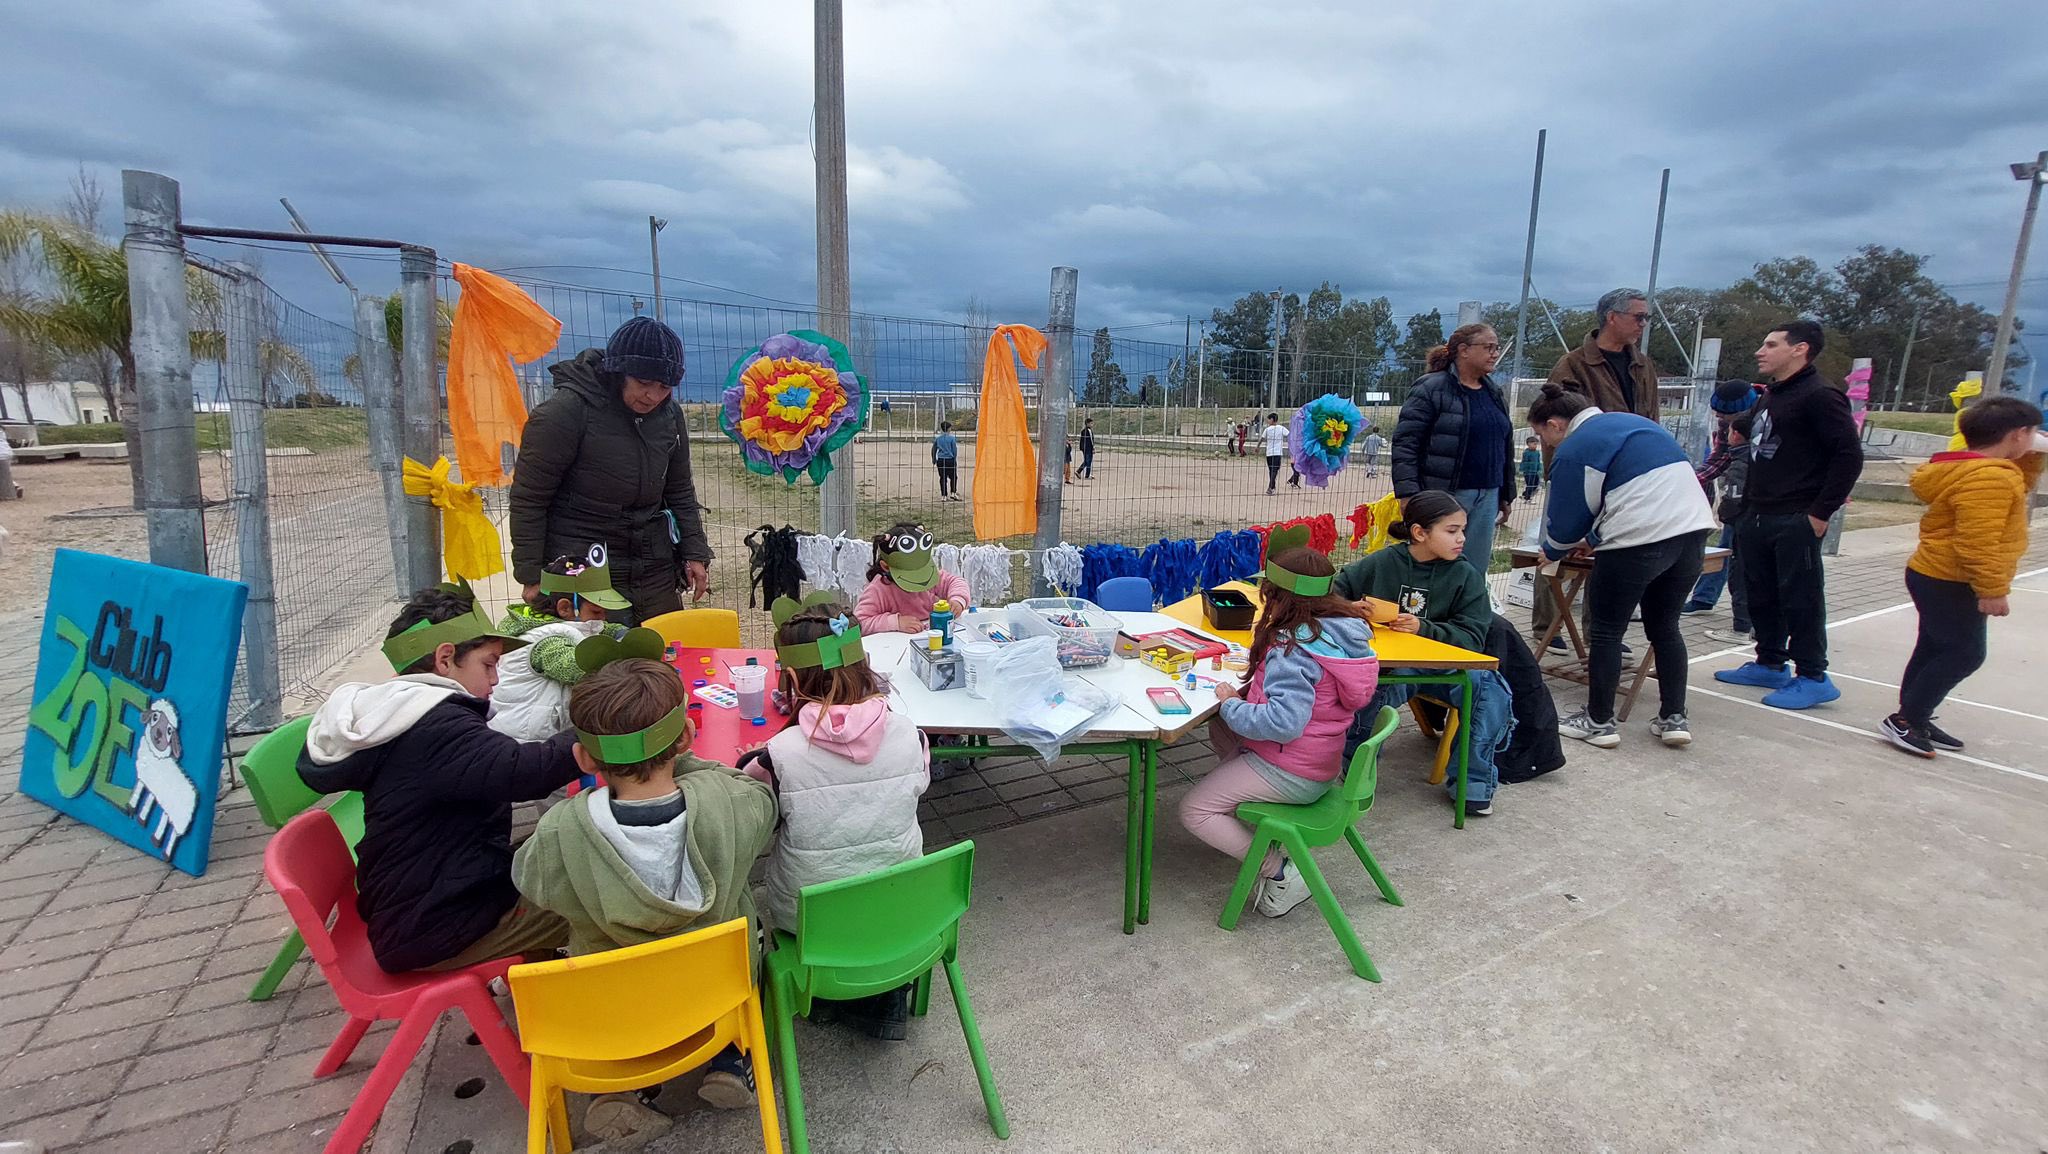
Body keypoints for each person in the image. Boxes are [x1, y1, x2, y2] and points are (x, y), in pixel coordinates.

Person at [512, 659, 779, 1139]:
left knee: (591, 963)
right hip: (715, 992)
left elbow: (530, 881)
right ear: (685, 738)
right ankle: (729, 1060)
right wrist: (689, 761)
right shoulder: (731, 803)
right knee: (749, 927)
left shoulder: (560, 831)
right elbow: (763, 801)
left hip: (619, 1009)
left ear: (586, 759)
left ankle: (612, 1092)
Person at [299, 586, 580, 973]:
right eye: (488, 664)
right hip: (437, 928)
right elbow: (523, 772)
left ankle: (539, 986)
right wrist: (602, 724)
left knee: (566, 843)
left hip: (418, 905)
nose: (496, 679)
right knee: (605, 893)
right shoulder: (435, 726)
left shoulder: (398, 714)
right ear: (446, 658)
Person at [745, 597, 929, 1037]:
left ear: (789, 678)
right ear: (864, 662)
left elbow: (755, 816)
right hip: (905, 908)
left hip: (809, 919)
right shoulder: (912, 733)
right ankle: (881, 996)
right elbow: (916, 786)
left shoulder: (778, 757)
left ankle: (827, 995)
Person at [1178, 540, 1380, 917]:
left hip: (1293, 771)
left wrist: (1232, 702)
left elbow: (1284, 724)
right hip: (1318, 760)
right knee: (1222, 731)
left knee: (1195, 810)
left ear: (1277, 596)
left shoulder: (1295, 649)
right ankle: (1245, 810)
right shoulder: (1338, 632)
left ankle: (1282, 872)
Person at [1529, 383, 1716, 749]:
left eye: (1542, 435)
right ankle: (1673, 717)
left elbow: (1568, 516)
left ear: (1554, 424)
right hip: (1692, 532)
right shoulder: (1634, 424)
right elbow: (1638, 490)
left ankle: (1599, 721)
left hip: (1636, 541)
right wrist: (1595, 539)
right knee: (1665, 627)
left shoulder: (1577, 445)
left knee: (1606, 631)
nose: (1548, 444)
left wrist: (1552, 549)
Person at [511, 317, 713, 626]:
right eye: (643, 383)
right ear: (618, 371)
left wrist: (694, 552)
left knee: (663, 656)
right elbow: (529, 499)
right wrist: (530, 575)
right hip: (585, 568)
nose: (653, 396)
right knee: (601, 663)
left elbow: (679, 490)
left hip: (652, 564)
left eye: (664, 387)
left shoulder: (669, 416)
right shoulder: (566, 412)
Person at [1880, 396, 2046, 757]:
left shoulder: (1978, 470)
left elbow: (2018, 491)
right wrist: (1992, 589)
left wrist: (2032, 459)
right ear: (2018, 434)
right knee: (1965, 653)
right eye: (2032, 434)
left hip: (1937, 573)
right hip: (1953, 578)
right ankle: (1907, 720)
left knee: (1934, 646)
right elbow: (1977, 540)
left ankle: (1915, 715)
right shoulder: (1990, 478)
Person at [1332, 490, 1514, 816]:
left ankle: (1471, 784)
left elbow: (1473, 637)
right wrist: (1349, 607)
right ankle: (1354, 769)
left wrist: (1424, 628)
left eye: (1462, 530)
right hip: (1394, 667)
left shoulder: (1465, 575)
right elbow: (1332, 591)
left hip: (1443, 668)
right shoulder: (1384, 562)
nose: (1461, 538)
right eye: (1451, 530)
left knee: (1489, 688)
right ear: (1419, 533)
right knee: (1369, 685)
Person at [1713, 321, 1862, 710]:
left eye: (1771, 344)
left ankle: (1813, 675)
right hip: (1757, 512)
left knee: (1801, 597)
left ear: (1801, 350)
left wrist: (1820, 512)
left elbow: (1848, 456)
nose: (1761, 351)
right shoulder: (1772, 394)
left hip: (1796, 514)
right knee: (1760, 591)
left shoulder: (1821, 395)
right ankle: (1770, 660)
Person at [1532, 289, 1664, 649]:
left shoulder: (1643, 364)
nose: (1643, 324)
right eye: (1639, 316)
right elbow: (1553, 421)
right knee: (1559, 541)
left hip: (1628, 474)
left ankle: (1600, 628)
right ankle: (1547, 623)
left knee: (1608, 549)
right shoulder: (1573, 364)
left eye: (1645, 317)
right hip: (1584, 468)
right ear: (1612, 317)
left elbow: (1651, 417)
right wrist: (1558, 476)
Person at [1390, 324, 1516, 574]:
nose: (1495, 353)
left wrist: (1506, 493)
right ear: (1464, 350)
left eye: (1496, 348)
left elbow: (1505, 445)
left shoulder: (1493, 392)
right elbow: (1406, 442)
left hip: (1488, 496)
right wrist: (1407, 494)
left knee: (1473, 571)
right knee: (1435, 566)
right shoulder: (1431, 388)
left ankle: (1468, 612)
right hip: (1445, 494)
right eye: (1488, 347)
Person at [489, 548, 632, 742]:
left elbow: (599, 629)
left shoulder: (568, 622)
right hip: (524, 739)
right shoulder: (546, 641)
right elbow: (572, 667)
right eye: (597, 612)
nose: (603, 618)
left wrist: (621, 633)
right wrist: (621, 656)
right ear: (565, 608)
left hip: (542, 732)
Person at [1683, 403, 1757, 638]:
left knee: (1740, 569)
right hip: (1753, 518)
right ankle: (1706, 600)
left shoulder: (1741, 461)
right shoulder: (1749, 454)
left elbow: (1734, 494)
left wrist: (1725, 514)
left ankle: (1742, 626)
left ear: (1735, 434)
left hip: (1743, 520)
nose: (1718, 419)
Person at [855, 522, 973, 633]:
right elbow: (859, 623)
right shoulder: (878, 590)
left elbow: (956, 581)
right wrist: (896, 623)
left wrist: (958, 600)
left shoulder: (929, 575)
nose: (920, 579)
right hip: (894, 647)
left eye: (920, 572)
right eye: (912, 574)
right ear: (886, 567)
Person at [1259, 412, 1289, 494]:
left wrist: (1257, 447)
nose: (1268, 421)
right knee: (1274, 471)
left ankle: (1272, 486)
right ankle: (1271, 487)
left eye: (1268, 419)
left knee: (1271, 470)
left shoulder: (1267, 429)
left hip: (1269, 453)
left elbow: (1262, 438)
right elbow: (1289, 435)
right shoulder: (1281, 428)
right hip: (1277, 453)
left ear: (1272, 419)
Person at [932, 421, 961, 501]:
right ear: (949, 429)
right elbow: (954, 450)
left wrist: (934, 459)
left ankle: (944, 495)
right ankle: (953, 492)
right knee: (953, 477)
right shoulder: (952, 438)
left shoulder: (938, 439)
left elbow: (934, 449)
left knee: (942, 478)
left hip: (941, 460)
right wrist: (954, 459)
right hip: (950, 459)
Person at [1519, 435, 1543, 502]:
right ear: (1529, 444)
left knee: (1535, 485)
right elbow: (1524, 462)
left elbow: (1538, 461)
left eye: (1536, 444)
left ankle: (1525, 494)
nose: (1535, 446)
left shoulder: (1537, 453)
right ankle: (1527, 498)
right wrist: (1522, 469)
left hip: (1535, 472)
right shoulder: (1526, 453)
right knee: (1530, 485)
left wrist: (1539, 469)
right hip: (1528, 472)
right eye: (1534, 444)